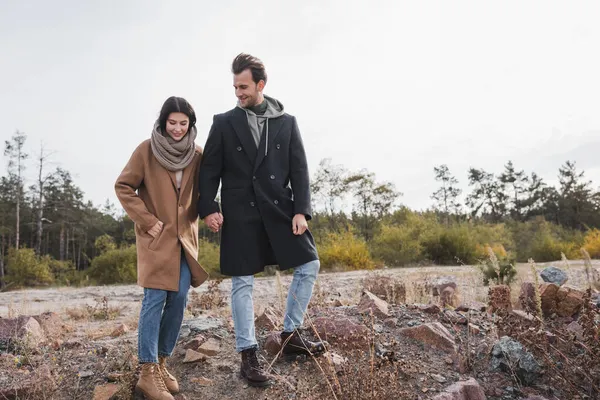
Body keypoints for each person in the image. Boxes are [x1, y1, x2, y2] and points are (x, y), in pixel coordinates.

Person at [198, 53, 325, 388]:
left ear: (260, 85)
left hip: (280, 207)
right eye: (235, 87)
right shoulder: (224, 122)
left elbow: (299, 169)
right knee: (242, 282)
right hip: (240, 211)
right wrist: (208, 206)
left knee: (309, 264)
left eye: (243, 86)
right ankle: (248, 355)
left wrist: (301, 210)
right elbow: (209, 169)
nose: (238, 93)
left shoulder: (287, 121)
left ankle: (291, 334)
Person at [115, 96, 208, 400]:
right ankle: (146, 371)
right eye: (173, 122)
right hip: (156, 237)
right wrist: (147, 220)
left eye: (184, 123)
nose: (178, 128)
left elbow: (208, 189)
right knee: (155, 298)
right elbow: (124, 186)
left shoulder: (197, 154)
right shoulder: (146, 149)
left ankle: (162, 361)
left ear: (190, 124)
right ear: (163, 122)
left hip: (184, 240)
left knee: (179, 297)